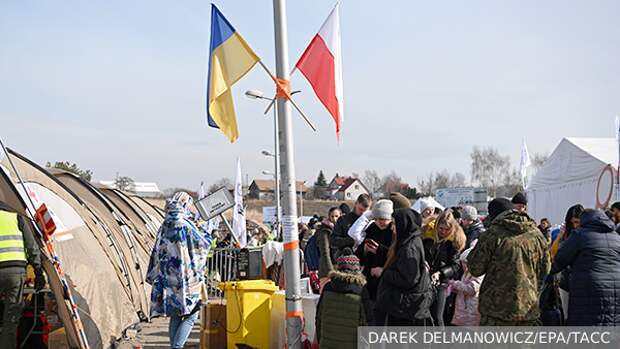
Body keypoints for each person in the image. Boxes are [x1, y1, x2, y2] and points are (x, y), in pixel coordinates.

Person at [467, 198, 550, 326]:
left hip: (496, 311)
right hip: (528, 309)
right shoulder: (536, 234)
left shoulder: (492, 235)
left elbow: (475, 268)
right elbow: (546, 269)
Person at [146, 192, 212, 349]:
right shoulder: (186, 225)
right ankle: (177, 347)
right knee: (191, 315)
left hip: (168, 278)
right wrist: (204, 227)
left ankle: (175, 346)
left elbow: (157, 251)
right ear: (185, 204)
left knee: (175, 315)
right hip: (187, 279)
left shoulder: (164, 225)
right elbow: (204, 244)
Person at [550, 209, 620, 325]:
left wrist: (550, 272)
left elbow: (560, 259)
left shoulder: (580, 234)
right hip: (616, 287)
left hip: (588, 287)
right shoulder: (616, 237)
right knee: (610, 323)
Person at [376, 208, 433, 325]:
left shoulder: (409, 248)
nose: (392, 228)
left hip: (405, 308)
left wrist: (383, 272)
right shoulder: (410, 241)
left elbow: (409, 279)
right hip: (404, 305)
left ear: (404, 224)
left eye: (395, 224)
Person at [0, 201, 45, 349]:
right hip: (15, 273)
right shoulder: (15, 214)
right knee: (10, 322)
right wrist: (38, 272)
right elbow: (32, 247)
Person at [315, 248, 373, 349]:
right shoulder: (361, 291)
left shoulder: (328, 287)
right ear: (357, 270)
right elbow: (367, 322)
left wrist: (321, 341)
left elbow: (319, 317)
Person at [354, 200, 393, 324]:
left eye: (384, 219)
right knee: (370, 316)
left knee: (382, 320)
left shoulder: (394, 232)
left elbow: (396, 255)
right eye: (377, 219)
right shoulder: (371, 229)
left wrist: (379, 250)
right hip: (369, 280)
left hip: (386, 281)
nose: (380, 222)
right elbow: (359, 257)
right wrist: (364, 251)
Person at [427, 209, 466, 327]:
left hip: (441, 283)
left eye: (447, 229)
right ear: (436, 226)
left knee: (437, 316)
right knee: (426, 316)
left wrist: (441, 273)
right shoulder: (428, 238)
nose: (443, 232)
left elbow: (455, 265)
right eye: (441, 228)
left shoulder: (453, 242)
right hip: (426, 281)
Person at [550, 204, 584, 321]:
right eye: (572, 222)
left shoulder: (587, 235)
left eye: (577, 222)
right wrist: (560, 236)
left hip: (582, 282)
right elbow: (553, 253)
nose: (575, 226)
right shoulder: (565, 235)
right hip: (565, 281)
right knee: (567, 315)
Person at [450, 245, 483, 326]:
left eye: (464, 263)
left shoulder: (478, 273)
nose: (463, 266)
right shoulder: (466, 273)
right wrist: (456, 289)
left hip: (471, 309)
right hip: (463, 308)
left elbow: (472, 289)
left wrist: (456, 284)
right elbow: (464, 287)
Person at [330, 194, 371, 259]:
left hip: (365, 259)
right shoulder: (343, 220)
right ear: (356, 203)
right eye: (360, 209)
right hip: (346, 260)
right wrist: (351, 240)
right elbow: (333, 241)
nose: (362, 213)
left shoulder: (371, 221)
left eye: (365, 211)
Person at [315, 207, 341, 289]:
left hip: (336, 267)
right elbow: (325, 252)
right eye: (332, 216)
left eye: (337, 216)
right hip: (326, 269)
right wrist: (331, 271)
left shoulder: (338, 230)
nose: (334, 219)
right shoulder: (324, 231)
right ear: (329, 217)